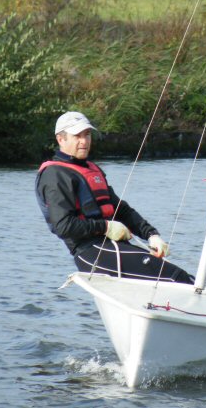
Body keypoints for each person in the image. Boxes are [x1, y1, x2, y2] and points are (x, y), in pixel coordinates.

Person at [35, 111, 193, 283]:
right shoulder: (55, 175)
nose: (84, 141)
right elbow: (63, 226)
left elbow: (121, 210)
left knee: (185, 277)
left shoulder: (91, 169)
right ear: (61, 139)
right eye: (77, 136)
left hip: (113, 246)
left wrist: (151, 234)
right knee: (177, 278)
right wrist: (106, 227)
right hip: (91, 252)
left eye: (87, 135)